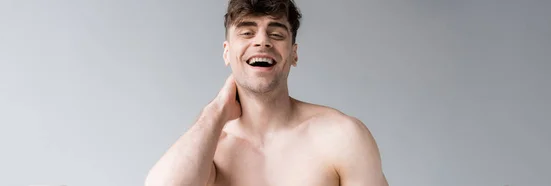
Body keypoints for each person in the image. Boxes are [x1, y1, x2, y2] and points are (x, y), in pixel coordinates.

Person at [145, 0, 388, 185]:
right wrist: (217, 109)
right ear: (227, 52)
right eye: (247, 32)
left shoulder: (341, 136)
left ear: (294, 54)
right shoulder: (211, 148)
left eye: (276, 33)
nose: (262, 42)